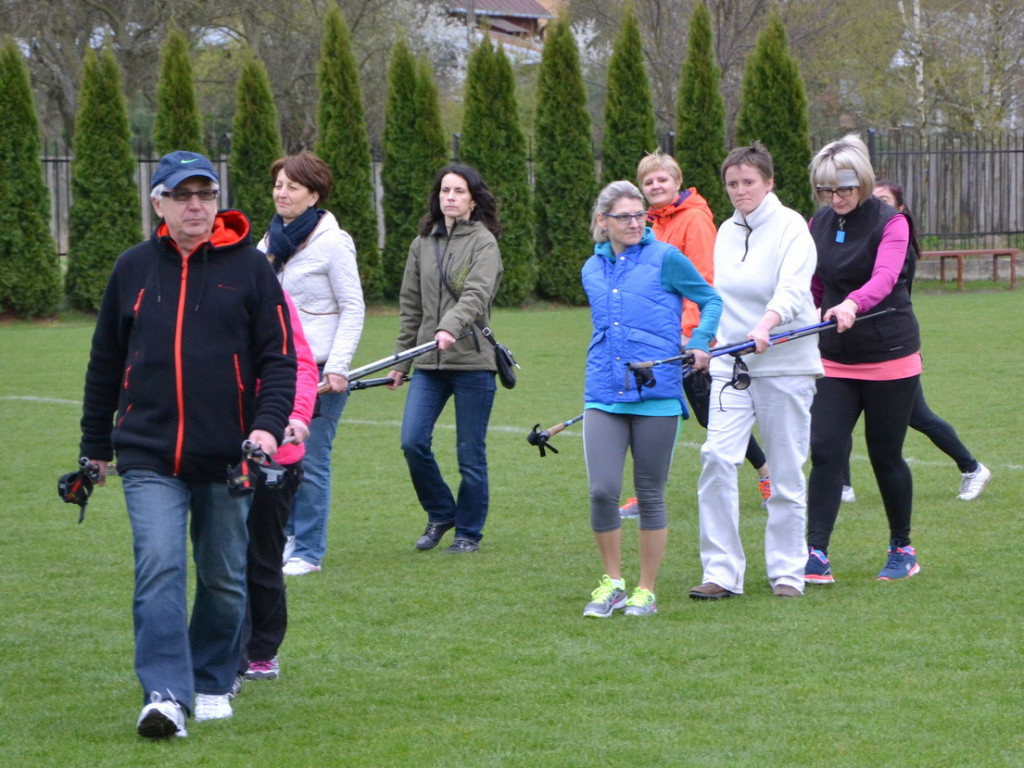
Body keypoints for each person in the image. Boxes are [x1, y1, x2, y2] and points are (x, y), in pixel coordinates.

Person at [78, 151, 297, 738]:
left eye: (205, 193)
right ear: (159, 203)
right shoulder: (131, 269)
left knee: (225, 578)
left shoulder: (251, 268)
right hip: (147, 453)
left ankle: (211, 675)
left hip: (230, 456)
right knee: (159, 566)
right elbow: (105, 364)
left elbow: (280, 361)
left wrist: (266, 428)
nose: (196, 204)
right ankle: (165, 694)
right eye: (182, 195)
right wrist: (95, 445)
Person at [580, 180, 721, 617]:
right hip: (603, 393)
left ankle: (646, 589)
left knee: (650, 493)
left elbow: (710, 298)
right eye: (623, 216)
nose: (635, 223)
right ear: (603, 221)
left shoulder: (666, 258)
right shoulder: (591, 269)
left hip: (656, 394)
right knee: (602, 490)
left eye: (639, 215)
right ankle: (613, 582)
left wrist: (700, 340)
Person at [690, 142, 822, 601]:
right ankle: (723, 572)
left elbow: (792, 288)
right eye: (732, 184)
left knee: (785, 472)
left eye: (749, 182)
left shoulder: (792, 229)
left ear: (769, 182)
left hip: (786, 364)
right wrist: (709, 342)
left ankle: (788, 571)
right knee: (716, 459)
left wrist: (767, 323)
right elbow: (718, 295)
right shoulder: (725, 231)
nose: (740, 191)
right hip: (732, 363)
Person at [626, 149, 771, 517]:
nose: (656, 185)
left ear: (677, 182)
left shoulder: (695, 221)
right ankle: (645, 493)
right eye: (649, 181)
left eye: (662, 179)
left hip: (690, 339)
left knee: (708, 413)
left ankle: (767, 473)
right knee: (653, 411)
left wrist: (696, 338)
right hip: (656, 337)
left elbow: (705, 281)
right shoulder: (648, 224)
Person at [805, 135, 923, 585]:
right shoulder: (820, 221)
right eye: (826, 191)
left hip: (889, 354)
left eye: (844, 190)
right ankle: (816, 552)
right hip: (834, 358)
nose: (836, 199)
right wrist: (802, 314)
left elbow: (886, 275)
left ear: (863, 182)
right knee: (827, 451)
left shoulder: (890, 221)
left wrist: (853, 304)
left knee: (885, 455)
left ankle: (902, 547)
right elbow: (816, 281)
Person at [840, 180, 991, 504]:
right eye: (873, 199)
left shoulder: (897, 246)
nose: (875, 205)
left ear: (900, 209)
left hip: (889, 348)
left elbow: (884, 289)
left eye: (884, 200)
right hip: (857, 344)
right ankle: (842, 485)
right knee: (839, 415)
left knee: (918, 415)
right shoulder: (858, 236)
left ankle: (972, 467)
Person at [385, 164, 504, 554]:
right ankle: (441, 512)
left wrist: (449, 328)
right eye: (444, 191)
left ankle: (468, 532)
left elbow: (475, 294)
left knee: (470, 454)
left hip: (472, 361)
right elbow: (411, 305)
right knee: (412, 441)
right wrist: (402, 361)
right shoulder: (422, 243)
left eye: (458, 191)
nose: (449, 197)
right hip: (428, 363)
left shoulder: (484, 242)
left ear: (473, 199)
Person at [259, 152, 365, 576]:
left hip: (319, 370)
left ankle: (308, 551)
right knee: (273, 453)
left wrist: (338, 367)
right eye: (278, 184)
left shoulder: (333, 242)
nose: (281, 193)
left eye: (292, 187)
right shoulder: (268, 242)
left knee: (310, 458)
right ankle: (284, 536)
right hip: (274, 366)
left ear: (314, 195)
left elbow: (353, 307)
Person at [236, 290, 318, 690]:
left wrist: (297, 415)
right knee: (219, 558)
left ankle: (261, 652)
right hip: (213, 450)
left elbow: (302, 364)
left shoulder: (271, 295)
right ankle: (224, 649)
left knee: (262, 557)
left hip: (275, 456)